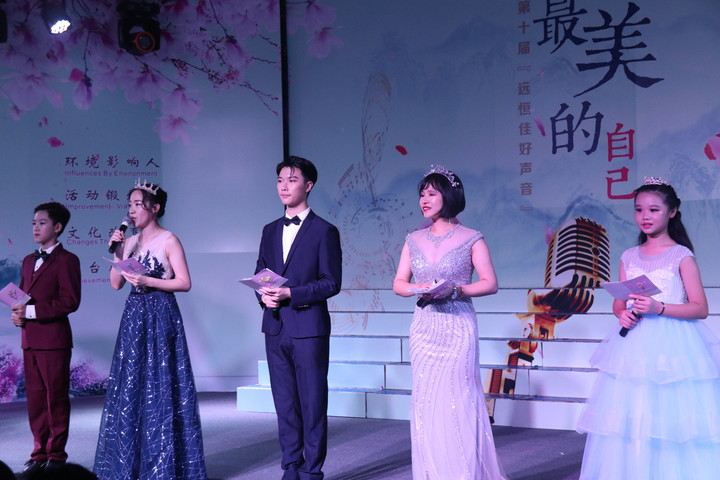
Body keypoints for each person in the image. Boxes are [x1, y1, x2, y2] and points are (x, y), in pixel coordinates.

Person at [576, 177, 720, 479]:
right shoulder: (629, 256)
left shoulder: (681, 255)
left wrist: (660, 308)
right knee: (632, 414)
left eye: (654, 210)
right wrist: (622, 314)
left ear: (672, 211)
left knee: (668, 415)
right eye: (639, 209)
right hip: (634, 344)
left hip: (674, 344)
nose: (645, 216)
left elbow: (700, 308)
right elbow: (620, 302)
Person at [393, 165, 505, 479]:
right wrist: (419, 288)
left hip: (457, 325)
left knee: (459, 399)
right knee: (427, 401)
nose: (424, 200)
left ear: (449, 196)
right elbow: (399, 283)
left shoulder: (472, 238)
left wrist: (455, 290)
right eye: (422, 194)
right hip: (424, 326)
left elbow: (490, 283)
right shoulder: (413, 239)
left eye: (432, 193)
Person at [93, 180, 207, 480]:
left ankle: (165, 464)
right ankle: (131, 464)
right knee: (132, 383)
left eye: (137, 205)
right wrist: (118, 251)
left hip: (160, 312)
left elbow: (184, 282)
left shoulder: (169, 240)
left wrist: (149, 281)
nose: (131, 210)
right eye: (129, 205)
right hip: (134, 315)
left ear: (154, 208)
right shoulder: (129, 242)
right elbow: (116, 284)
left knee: (161, 382)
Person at [255, 156, 342, 480]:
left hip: (309, 328)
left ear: (308, 185)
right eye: (280, 180)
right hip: (275, 326)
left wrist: (291, 293)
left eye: (291, 180)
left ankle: (311, 471)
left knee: (312, 402)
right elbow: (261, 273)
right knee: (284, 403)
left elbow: (331, 282)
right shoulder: (269, 230)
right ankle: (290, 467)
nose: (284, 186)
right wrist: (262, 295)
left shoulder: (324, 231)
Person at [10, 202, 81, 479]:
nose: (36, 228)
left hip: (54, 340)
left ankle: (56, 456)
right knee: (36, 401)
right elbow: (21, 297)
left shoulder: (68, 260)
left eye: (42, 223)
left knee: (56, 399)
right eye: (33, 223)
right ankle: (38, 454)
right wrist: (17, 315)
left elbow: (69, 301)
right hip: (29, 339)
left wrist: (29, 312)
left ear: (58, 227)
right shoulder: (28, 260)